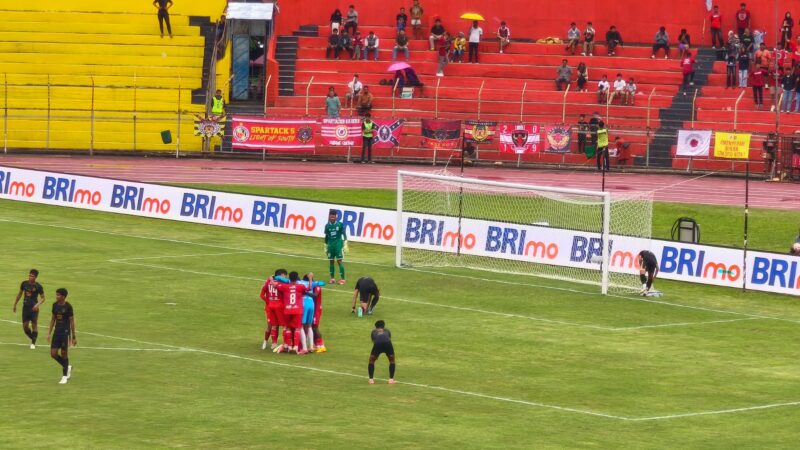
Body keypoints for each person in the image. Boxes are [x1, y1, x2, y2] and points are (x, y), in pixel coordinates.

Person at [274, 272, 311, 354]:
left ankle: (289, 346)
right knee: (298, 328)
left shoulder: (285, 287)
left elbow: (275, 285)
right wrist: (310, 278)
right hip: (297, 310)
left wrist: (271, 279)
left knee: (288, 328)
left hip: (287, 310)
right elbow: (309, 288)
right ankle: (296, 347)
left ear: (289, 278)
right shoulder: (300, 287)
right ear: (297, 278)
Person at [47, 288, 75, 384]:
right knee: (53, 354)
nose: (56, 296)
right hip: (57, 332)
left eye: (58, 295)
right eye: (56, 294)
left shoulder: (68, 307)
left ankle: (64, 376)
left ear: (63, 296)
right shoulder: (54, 305)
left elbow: (72, 322)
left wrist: (73, 337)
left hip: (65, 333)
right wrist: (49, 333)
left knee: (64, 354)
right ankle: (68, 367)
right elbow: (53, 319)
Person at [13, 269, 45, 349]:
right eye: (30, 275)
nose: (30, 277)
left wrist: (37, 305)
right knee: (25, 327)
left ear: (36, 277)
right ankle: (33, 338)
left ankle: (33, 344)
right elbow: (20, 294)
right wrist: (15, 304)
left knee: (34, 324)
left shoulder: (38, 286)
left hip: (34, 309)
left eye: (32, 276)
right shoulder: (24, 284)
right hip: (25, 308)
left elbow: (43, 298)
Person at [260, 269, 287, 351]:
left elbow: (262, 294)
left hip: (271, 305)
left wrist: (269, 301)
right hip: (279, 306)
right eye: (284, 275)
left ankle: (274, 344)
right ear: (282, 275)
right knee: (285, 326)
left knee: (274, 326)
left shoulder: (269, 282)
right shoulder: (282, 282)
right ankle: (286, 344)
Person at [299, 274, 326, 354]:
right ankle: (312, 344)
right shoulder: (312, 286)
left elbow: (315, 295)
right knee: (307, 326)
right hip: (312, 307)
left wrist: (304, 292)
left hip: (316, 309)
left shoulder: (317, 286)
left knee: (314, 327)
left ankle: (321, 345)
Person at [368, 320, 396, 385]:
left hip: (377, 344)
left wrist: (376, 354)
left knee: (371, 361)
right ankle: (391, 380)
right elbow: (389, 338)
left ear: (376, 327)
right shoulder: (387, 331)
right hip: (388, 344)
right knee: (392, 361)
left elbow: (374, 341)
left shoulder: (373, 331)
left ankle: (371, 380)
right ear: (384, 326)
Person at [324, 209, 348, 283]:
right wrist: (325, 245)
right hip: (330, 246)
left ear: (336, 217)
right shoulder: (327, 226)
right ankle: (332, 279)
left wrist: (345, 243)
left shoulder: (340, 225)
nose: (332, 218)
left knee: (339, 261)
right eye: (331, 217)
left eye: (333, 217)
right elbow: (326, 236)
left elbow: (344, 234)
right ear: (329, 217)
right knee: (331, 261)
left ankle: (343, 279)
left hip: (338, 245)